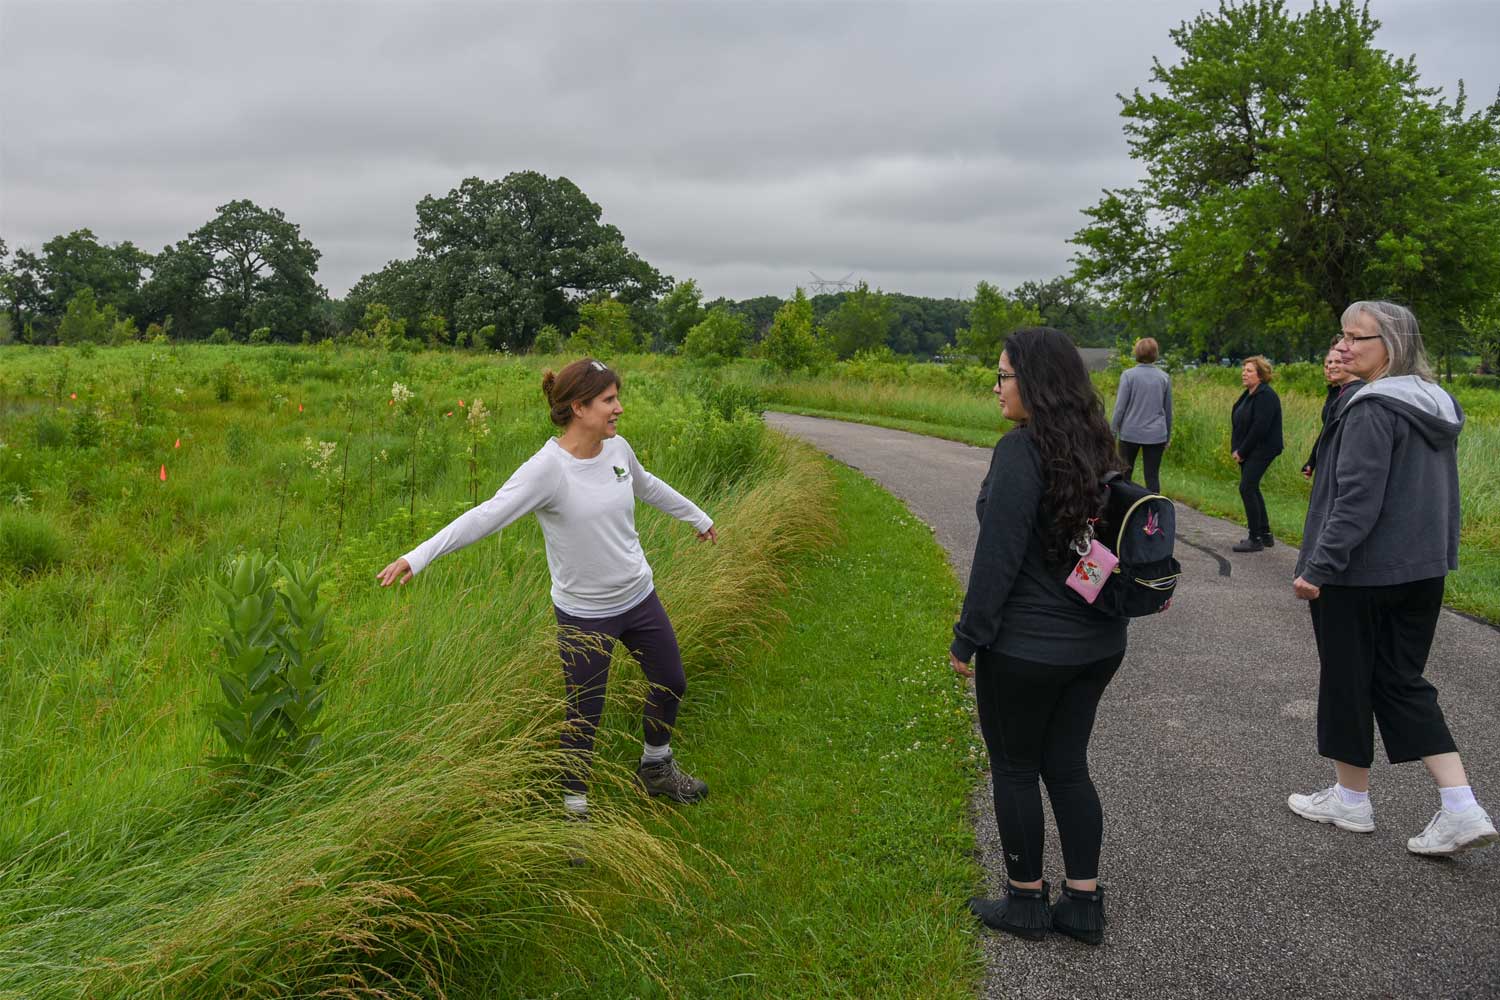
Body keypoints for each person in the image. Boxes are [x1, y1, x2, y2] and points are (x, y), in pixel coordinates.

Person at [377, 358, 719, 819]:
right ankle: (574, 812)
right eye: (609, 400)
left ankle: (656, 767)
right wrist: (418, 556)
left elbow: (646, 485)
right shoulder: (547, 470)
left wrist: (697, 517)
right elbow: (485, 515)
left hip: (639, 598)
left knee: (671, 681)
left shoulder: (619, 450)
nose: (619, 408)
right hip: (584, 614)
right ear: (579, 407)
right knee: (585, 714)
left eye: (617, 398)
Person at [1289, 301, 1495, 856]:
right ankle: (1460, 805)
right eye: (1344, 335)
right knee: (1401, 680)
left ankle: (1352, 801)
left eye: (1360, 338)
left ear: (1392, 346)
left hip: (1361, 573)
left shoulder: (1370, 408)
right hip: (1422, 569)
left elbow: (1356, 501)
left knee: (1346, 678)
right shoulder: (1435, 403)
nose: (1346, 346)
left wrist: (1318, 567)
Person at [949, 327, 1128, 946]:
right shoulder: (1099, 446)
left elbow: (996, 557)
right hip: (1098, 643)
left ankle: (1025, 900)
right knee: (1069, 767)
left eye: (1003, 375)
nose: (996, 387)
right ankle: (1083, 903)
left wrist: (968, 638)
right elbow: (1097, 553)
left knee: (1016, 767)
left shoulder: (1021, 451)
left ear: (1034, 382)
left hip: (1028, 649)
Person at [1229, 356, 1283, 553]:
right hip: (1248, 448)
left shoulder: (1266, 395)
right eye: (1243, 369)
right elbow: (1238, 422)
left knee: (1247, 487)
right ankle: (1265, 534)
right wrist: (1236, 448)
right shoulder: (1248, 394)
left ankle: (1255, 538)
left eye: (1249, 370)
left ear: (1260, 375)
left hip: (1263, 448)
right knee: (1252, 487)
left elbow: (1260, 428)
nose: (1244, 373)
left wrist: (1242, 451)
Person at [1111, 337, 1172, 494]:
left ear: (1137, 353)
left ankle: (1124, 510)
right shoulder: (1164, 377)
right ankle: (1154, 512)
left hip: (1130, 433)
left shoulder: (1128, 376)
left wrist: (1112, 432)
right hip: (1156, 435)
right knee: (1152, 477)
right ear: (1155, 354)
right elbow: (1167, 410)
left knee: (1124, 474)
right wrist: (1167, 437)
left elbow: (1120, 408)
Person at [1301, 344, 1362, 480]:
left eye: (1338, 362)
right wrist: (1313, 460)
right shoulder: (1337, 392)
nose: (1331, 366)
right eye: (1329, 362)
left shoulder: (1353, 393)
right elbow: (1327, 429)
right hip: (1331, 460)